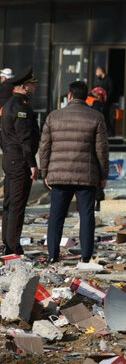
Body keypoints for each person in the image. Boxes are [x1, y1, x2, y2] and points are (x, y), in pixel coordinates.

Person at [40, 81, 108, 265]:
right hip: (86, 176)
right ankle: (86, 256)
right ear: (86, 97)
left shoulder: (53, 117)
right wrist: (103, 175)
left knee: (56, 216)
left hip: (59, 176)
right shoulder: (96, 117)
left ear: (69, 96)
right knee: (86, 215)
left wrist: (44, 172)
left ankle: (53, 255)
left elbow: (44, 148)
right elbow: (101, 150)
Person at [0, 68, 40, 255]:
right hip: (20, 159)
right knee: (17, 204)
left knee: (9, 202)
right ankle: (13, 247)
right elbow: (25, 137)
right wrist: (32, 163)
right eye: (32, 85)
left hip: (10, 156)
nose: (35, 88)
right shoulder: (21, 106)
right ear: (24, 87)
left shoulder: (8, 104)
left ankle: (8, 242)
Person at [94, 66, 114, 132]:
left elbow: (111, 91)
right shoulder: (98, 80)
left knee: (106, 116)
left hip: (107, 102)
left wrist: (105, 98)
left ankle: (110, 132)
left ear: (101, 71)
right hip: (99, 101)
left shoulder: (108, 80)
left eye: (97, 72)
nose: (96, 73)